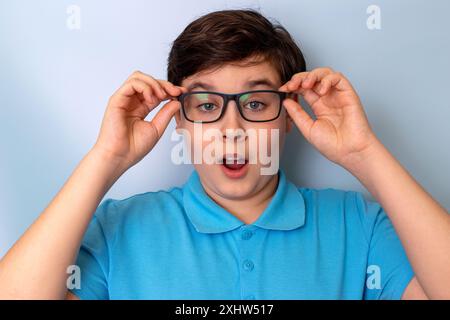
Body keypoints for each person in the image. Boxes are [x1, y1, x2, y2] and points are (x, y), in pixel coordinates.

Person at [0, 9, 448, 300]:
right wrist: (106, 158)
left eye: (255, 104)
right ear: (179, 118)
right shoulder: (120, 228)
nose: (231, 132)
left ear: (290, 116)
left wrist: (364, 153)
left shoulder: (359, 226)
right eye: (207, 106)